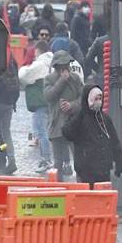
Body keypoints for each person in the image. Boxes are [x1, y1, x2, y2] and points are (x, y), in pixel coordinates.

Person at [62, 84, 122, 186]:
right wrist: (82, 112)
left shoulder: (105, 119)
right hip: (85, 172)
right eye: (96, 98)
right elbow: (68, 133)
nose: (99, 101)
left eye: (100, 98)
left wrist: (119, 162)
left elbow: (114, 141)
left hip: (103, 170)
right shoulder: (79, 118)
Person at [44, 50, 83, 179]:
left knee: (79, 160)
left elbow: (83, 98)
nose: (65, 68)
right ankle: (58, 188)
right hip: (57, 125)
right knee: (58, 162)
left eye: (67, 65)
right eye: (62, 66)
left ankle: (81, 186)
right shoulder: (49, 79)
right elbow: (48, 96)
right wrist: (62, 80)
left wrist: (72, 105)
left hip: (73, 124)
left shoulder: (76, 79)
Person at [19, 40, 53, 173]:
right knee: (51, 132)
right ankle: (62, 162)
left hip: (41, 103)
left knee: (41, 132)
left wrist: (23, 68)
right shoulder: (53, 62)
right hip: (51, 102)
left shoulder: (40, 64)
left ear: (38, 50)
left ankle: (46, 160)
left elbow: (24, 75)